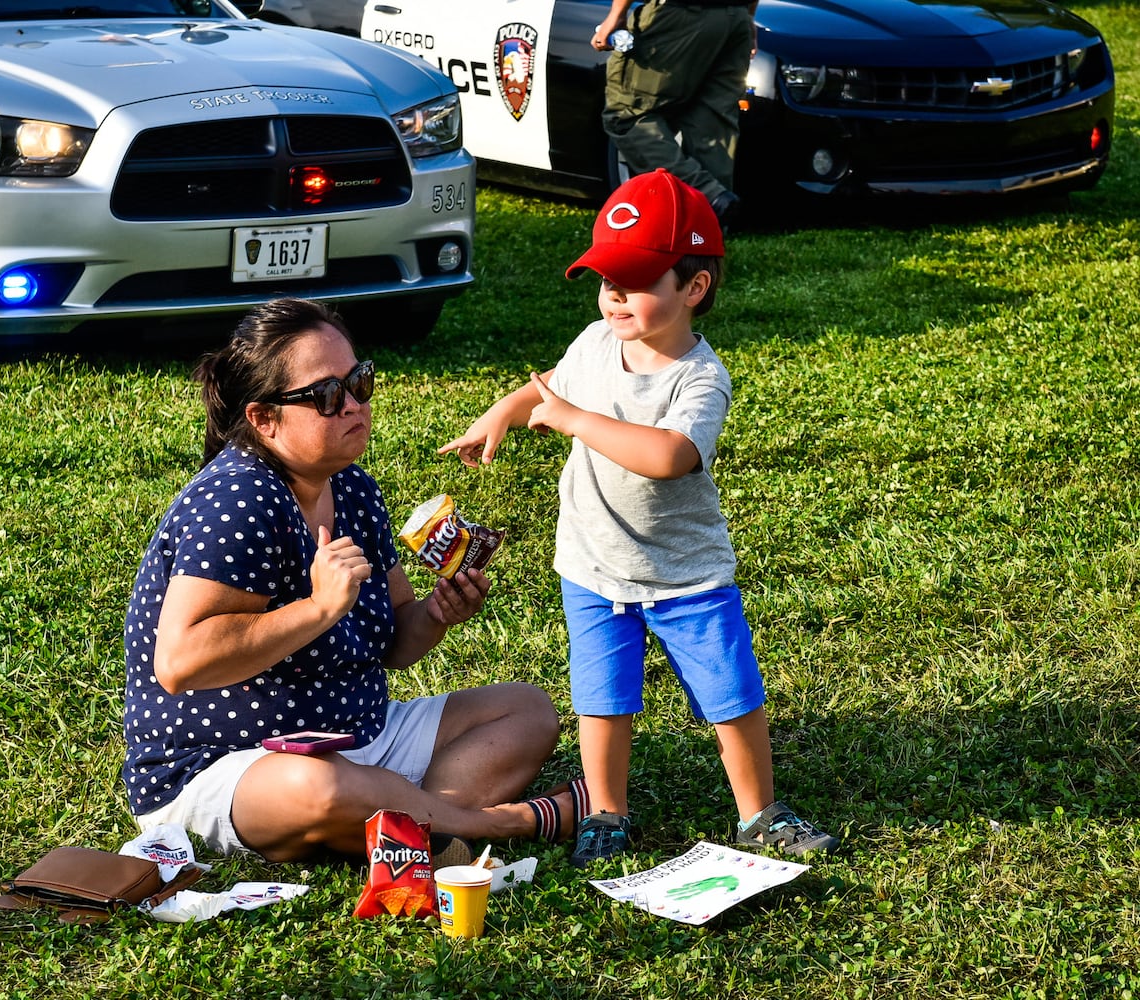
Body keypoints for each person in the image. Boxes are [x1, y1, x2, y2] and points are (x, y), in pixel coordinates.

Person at [439, 169, 838, 866]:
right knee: (602, 700)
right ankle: (607, 812)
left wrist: (571, 419)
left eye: (638, 280)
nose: (615, 295)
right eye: (606, 279)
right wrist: (502, 414)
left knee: (730, 696)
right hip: (593, 569)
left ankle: (759, 813)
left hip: (685, 576)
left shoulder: (699, 378)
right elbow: (547, 388)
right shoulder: (596, 342)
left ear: (694, 287)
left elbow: (670, 456)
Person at [121, 297, 588, 862]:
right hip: (227, 762)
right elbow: (180, 662)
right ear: (263, 419)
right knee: (318, 789)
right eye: (325, 395)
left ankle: (415, 829)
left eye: (358, 381)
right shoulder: (239, 499)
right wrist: (319, 608)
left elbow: (393, 645)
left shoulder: (353, 488)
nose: (353, 405)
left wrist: (437, 614)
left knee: (527, 711)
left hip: (358, 735)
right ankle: (502, 826)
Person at [593, 0, 757, 225]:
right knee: (711, 126)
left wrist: (616, 15)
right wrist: (747, 17)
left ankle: (707, 195)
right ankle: (705, 242)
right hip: (734, 17)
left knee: (626, 115)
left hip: (678, 14)